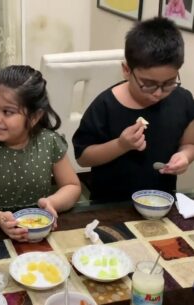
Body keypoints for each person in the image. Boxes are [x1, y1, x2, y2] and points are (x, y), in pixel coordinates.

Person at [0, 65, 81, 242]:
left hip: (39, 232)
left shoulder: (49, 142)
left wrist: (52, 202)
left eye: (7, 112)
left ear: (34, 117)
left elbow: (72, 187)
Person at [72, 17, 194, 202]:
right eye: (148, 84)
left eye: (169, 83)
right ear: (127, 70)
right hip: (111, 204)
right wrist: (121, 145)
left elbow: (189, 144)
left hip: (161, 202)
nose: (158, 93)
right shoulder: (106, 105)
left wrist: (185, 157)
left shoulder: (183, 100)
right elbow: (83, 157)